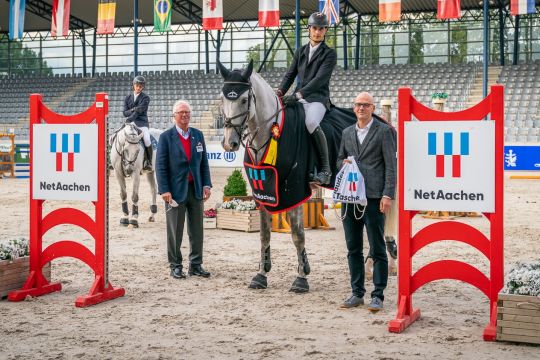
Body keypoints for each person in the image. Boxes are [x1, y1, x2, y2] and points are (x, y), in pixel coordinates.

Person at [336, 92, 397, 312]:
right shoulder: (347, 132)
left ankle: (378, 294)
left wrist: (388, 195)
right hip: (350, 197)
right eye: (358, 105)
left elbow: (391, 165)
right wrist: (340, 163)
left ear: (372, 108)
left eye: (365, 105)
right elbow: (339, 158)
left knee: (377, 247)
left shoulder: (384, 132)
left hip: (373, 197)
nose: (361, 108)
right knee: (353, 248)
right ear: (354, 108)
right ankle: (356, 293)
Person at [275, 12, 337, 185]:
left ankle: (325, 170)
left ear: (325, 30)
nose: (317, 32)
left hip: (318, 98)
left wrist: (298, 95)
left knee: (310, 122)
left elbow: (320, 80)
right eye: (314, 28)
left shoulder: (329, 54)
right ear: (309, 28)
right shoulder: (300, 51)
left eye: (321, 28)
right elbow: (290, 74)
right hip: (299, 97)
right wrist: (280, 92)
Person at [156, 100, 212, 279]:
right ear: (174, 116)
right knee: (175, 230)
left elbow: (203, 163)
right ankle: (175, 265)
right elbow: (160, 166)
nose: (185, 115)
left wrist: (206, 184)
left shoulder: (198, 135)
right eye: (181, 112)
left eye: (187, 112)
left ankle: (196, 265)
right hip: (174, 192)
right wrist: (164, 189)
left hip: (195, 189)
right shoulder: (166, 137)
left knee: (197, 230)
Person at [123, 75, 153, 172]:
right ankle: (116, 160)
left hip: (142, 123)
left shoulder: (145, 98)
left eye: (141, 86)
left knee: (147, 140)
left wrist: (129, 117)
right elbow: (124, 113)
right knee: (119, 135)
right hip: (131, 123)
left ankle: (148, 162)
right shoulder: (128, 97)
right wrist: (133, 109)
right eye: (137, 85)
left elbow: (138, 112)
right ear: (133, 85)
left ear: (143, 87)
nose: (139, 87)